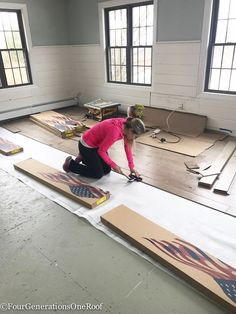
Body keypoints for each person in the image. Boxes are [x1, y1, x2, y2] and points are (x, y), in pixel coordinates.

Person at [62, 117, 145, 179]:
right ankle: (71, 165)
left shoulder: (126, 125)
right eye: (135, 136)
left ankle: (85, 158)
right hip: (86, 145)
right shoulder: (115, 132)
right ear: (130, 130)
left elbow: (128, 148)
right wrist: (114, 165)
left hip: (97, 146)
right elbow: (102, 151)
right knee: (98, 173)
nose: (135, 138)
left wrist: (131, 167)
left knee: (107, 169)